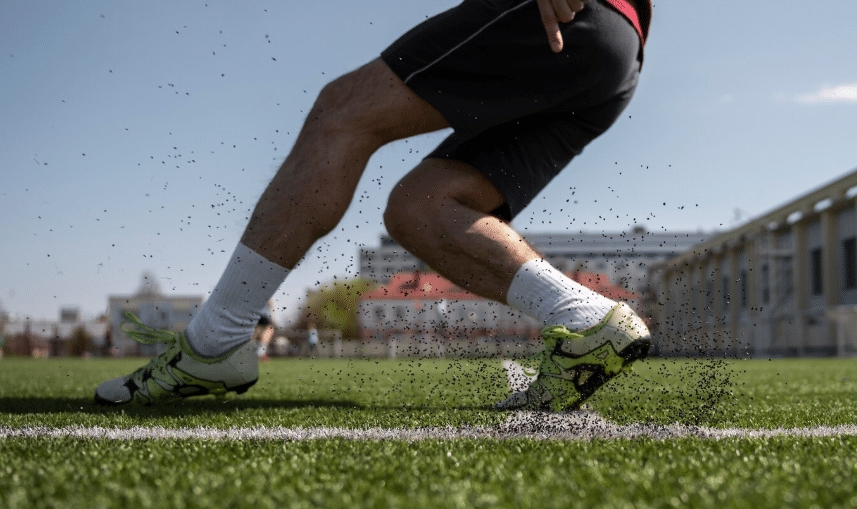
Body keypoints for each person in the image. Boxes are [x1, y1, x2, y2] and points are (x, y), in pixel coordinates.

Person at [96, 0, 653, 410]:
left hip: (568, 16)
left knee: (342, 112)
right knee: (423, 207)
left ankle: (214, 343)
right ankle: (586, 320)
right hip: (612, 56)